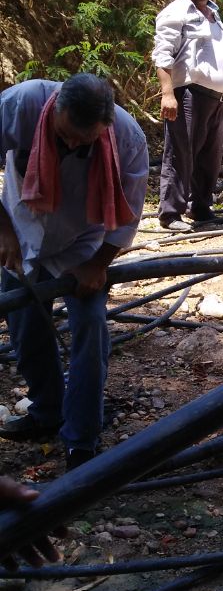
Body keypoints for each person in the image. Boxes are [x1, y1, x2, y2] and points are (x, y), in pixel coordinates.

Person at [0, 74, 148, 469]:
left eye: (83, 142)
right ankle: (47, 411)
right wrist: (2, 230)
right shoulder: (22, 103)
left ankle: (81, 439)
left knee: (89, 327)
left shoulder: (128, 138)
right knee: (26, 329)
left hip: (83, 243)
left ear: (105, 128)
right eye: (65, 135)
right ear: (56, 108)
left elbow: (129, 212)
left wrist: (97, 265)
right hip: (20, 230)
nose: (70, 145)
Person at [153, 0, 223, 232]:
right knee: (180, 153)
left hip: (216, 99)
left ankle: (200, 207)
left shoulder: (213, 12)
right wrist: (168, 94)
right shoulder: (176, 12)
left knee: (209, 157)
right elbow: (162, 55)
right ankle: (170, 213)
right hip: (189, 94)